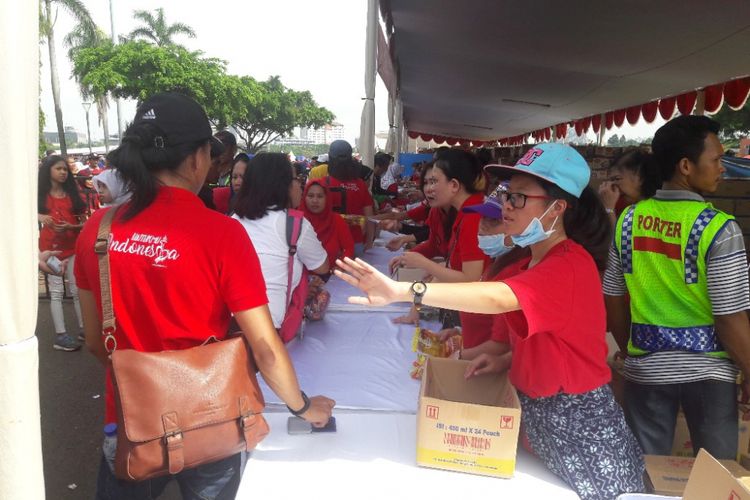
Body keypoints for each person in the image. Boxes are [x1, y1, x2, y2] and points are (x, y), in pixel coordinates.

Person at [335, 143, 644, 499]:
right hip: (545, 418)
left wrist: (406, 292)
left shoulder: (569, 264)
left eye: (519, 198)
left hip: (577, 426)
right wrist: (505, 358)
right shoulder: (534, 261)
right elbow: (558, 340)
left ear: (557, 208)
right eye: (507, 195)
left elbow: (497, 297)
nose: (506, 206)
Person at [74, 93, 334, 499]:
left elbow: (94, 341)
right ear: (198, 158)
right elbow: (264, 346)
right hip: (211, 419)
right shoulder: (221, 234)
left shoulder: (97, 230)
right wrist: (303, 407)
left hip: (129, 423)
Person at [603, 115, 750, 460]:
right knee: (713, 478)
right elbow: (729, 317)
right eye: (715, 160)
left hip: (645, 371)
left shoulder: (629, 220)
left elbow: (612, 295)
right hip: (709, 375)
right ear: (686, 165)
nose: (722, 169)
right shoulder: (719, 228)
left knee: (647, 473)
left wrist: (631, 350)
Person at [233, 152, 330, 329]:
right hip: (269, 330)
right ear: (282, 185)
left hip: (229, 327)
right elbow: (322, 266)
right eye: (296, 179)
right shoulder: (295, 223)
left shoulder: (232, 220)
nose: (301, 185)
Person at [389, 149, 488, 284]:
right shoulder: (466, 212)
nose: (428, 189)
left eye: (434, 181)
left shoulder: (473, 216)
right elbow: (436, 246)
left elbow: (471, 278)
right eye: (426, 182)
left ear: (454, 185)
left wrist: (426, 264)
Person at [38, 154, 87, 351]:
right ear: (48, 171)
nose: (63, 172)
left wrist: (73, 227)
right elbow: (20, 213)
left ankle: (84, 328)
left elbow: (86, 222)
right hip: (50, 250)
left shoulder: (74, 195)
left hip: (72, 248)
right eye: (58, 168)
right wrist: (41, 216)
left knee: (77, 290)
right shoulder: (39, 196)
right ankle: (61, 335)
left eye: (65, 169)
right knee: (57, 292)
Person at [321, 140, 375, 253]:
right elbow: (369, 217)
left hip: (327, 241)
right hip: (356, 242)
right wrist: (370, 241)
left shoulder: (322, 184)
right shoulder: (360, 184)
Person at [599, 148, 661, 225]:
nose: (612, 185)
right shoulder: (621, 203)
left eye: (617, 179)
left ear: (640, 177)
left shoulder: (652, 212)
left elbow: (618, 236)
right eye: (611, 180)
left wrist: (608, 209)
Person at [302, 180, 354, 267]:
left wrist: (340, 267)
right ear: (304, 197)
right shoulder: (297, 220)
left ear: (327, 198)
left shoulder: (336, 220)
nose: (315, 200)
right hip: (303, 278)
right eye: (310, 196)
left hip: (331, 276)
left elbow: (349, 248)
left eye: (320, 196)